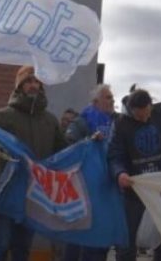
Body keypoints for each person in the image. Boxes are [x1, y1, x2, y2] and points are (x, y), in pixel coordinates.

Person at [0, 66, 65, 261]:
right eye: (28, 81)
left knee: (23, 247)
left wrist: (88, 144)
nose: (33, 85)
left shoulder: (50, 121)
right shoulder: (5, 115)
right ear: (19, 86)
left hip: (34, 193)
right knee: (1, 245)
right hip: (8, 191)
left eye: (36, 81)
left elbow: (63, 150)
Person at [108, 89, 161, 261]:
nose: (143, 119)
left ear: (150, 106)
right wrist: (120, 173)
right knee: (127, 240)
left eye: (146, 114)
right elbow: (114, 155)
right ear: (130, 110)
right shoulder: (120, 124)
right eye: (138, 116)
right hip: (134, 190)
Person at [63, 84, 118, 261]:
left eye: (112, 97)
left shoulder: (116, 122)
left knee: (101, 234)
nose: (112, 101)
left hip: (106, 186)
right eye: (108, 97)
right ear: (95, 102)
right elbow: (70, 147)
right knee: (79, 233)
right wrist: (90, 141)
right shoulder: (81, 122)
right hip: (84, 187)